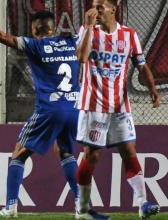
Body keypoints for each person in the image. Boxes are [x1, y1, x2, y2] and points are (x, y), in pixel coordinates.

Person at [0, 3, 98, 218]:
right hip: (75, 109)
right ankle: (81, 206)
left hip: (50, 109)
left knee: (18, 154)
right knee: (65, 152)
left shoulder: (34, 45)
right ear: (53, 28)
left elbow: (1, 36)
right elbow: (86, 46)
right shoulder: (72, 41)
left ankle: (10, 207)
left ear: (35, 30)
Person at [74, 0, 161, 219]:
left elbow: (142, 65)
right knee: (92, 156)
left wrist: (153, 90)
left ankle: (143, 204)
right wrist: (87, 27)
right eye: (94, 6)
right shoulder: (88, 31)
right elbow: (81, 58)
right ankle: (82, 209)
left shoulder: (129, 35)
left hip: (120, 106)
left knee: (129, 151)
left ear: (114, 8)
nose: (96, 10)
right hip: (93, 105)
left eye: (100, 6)